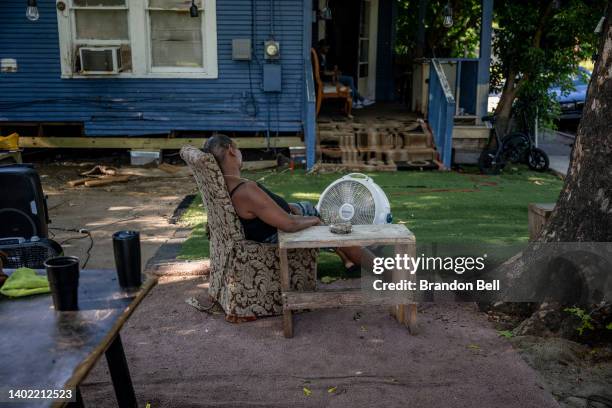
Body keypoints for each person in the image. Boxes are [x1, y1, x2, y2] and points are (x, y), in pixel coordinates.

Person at [203, 135, 362, 271]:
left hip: (276, 221)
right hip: (279, 233)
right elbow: (289, 224)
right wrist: (315, 221)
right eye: (237, 149)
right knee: (333, 231)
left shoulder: (224, 185)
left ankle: (348, 257)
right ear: (231, 150)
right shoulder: (244, 191)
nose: (239, 152)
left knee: (306, 208)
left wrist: (290, 208)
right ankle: (381, 271)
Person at [316, 39, 375, 110]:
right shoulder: (319, 57)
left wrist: (335, 71)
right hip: (326, 79)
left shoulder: (324, 56)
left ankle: (360, 100)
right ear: (321, 47)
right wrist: (334, 74)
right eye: (326, 47)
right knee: (349, 79)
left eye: (328, 47)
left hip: (331, 77)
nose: (328, 49)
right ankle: (356, 101)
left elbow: (328, 69)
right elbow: (322, 72)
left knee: (349, 80)